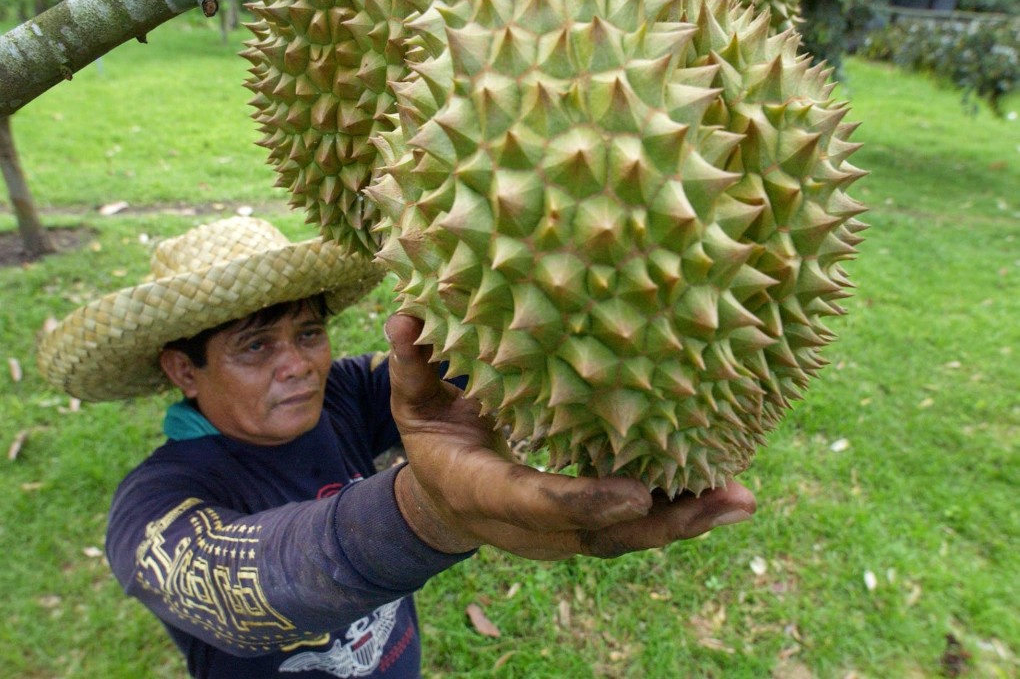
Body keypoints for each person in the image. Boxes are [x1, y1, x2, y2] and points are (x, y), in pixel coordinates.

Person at [37, 217, 756, 678]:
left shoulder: (347, 394)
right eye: (256, 347)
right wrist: (429, 515)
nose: (299, 366)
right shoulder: (155, 503)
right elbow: (241, 594)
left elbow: (475, 356)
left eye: (309, 334)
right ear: (183, 370)